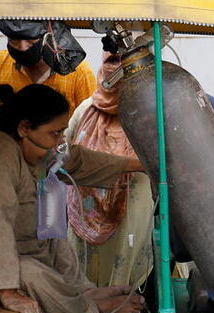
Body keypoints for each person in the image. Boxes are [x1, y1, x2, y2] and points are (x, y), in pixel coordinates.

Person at [0, 84, 145, 313]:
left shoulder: (34, 146)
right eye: (55, 134)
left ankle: (85, 293)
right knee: (30, 272)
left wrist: (140, 165)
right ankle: (90, 310)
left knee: (54, 235)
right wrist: (9, 294)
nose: (60, 141)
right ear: (24, 128)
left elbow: (75, 159)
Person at [63, 52, 155, 289]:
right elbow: (63, 158)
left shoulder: (151, 113)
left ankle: (121, 304)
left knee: (125, 262)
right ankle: (85, 309)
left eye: (124, 61)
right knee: (80, 278)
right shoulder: (85, 111)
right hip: (84, 215)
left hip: (133, 213)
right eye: (111, 59)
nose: (117, 67)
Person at [0, 37, 96, 117]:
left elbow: (87, 127)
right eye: (15, 39)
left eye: (30, 38)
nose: (23, 47)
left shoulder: (79, 72)